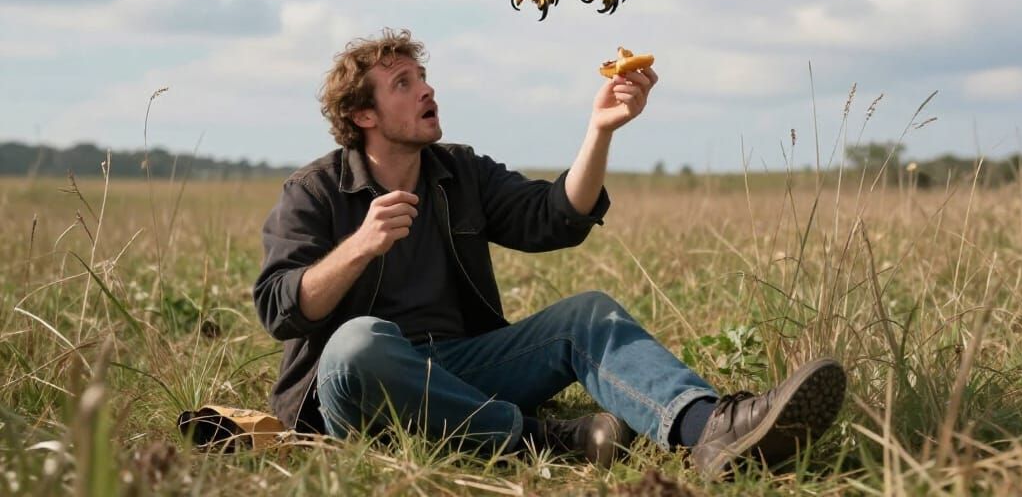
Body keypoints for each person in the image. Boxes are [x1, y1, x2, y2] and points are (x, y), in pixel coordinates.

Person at [254, 29, 845, 479]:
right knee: (361, 341)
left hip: (461, 367)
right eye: (402, 83)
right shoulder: (313, 192)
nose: (427, 88)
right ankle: (542, 438)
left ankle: (710, 431)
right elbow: (281, 309)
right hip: (360, 393)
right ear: (364, 115)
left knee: (586, 313)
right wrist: (358, 247)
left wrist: (602, 129)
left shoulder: (458, 171)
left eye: (422, 76)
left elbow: (553, 217)